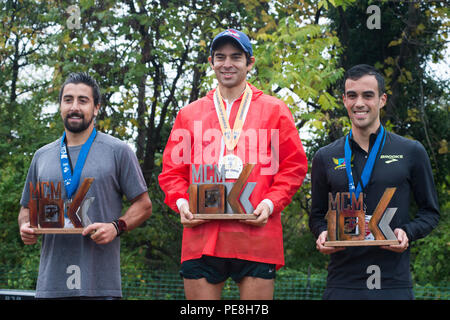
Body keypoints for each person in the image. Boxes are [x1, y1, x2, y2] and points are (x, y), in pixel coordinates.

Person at [158, 29, 307, 300]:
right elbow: (172, 171)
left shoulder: (275, 110)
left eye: (236, 57)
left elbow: (293, 166)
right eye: (220, 57)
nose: (227, 63)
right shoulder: (189, 114)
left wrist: (271, 203)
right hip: (202, 234)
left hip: (256, 234)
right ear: (211, 62)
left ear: (250, 63)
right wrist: (181, 204)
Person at [309, 64, 440, 300]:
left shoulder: (411, 151)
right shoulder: (325, 156)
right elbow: (316, 215)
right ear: (344, 100)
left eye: (368, 95)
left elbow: (430, 212)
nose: (359, 103)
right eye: (352, 95)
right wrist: (321, 233)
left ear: (382, 100)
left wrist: (406, 233)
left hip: (393, 283)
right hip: (342, 284)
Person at [18, 72, 152, 299]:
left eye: (83, 100)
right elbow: (25, 210)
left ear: (96, 107)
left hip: (100, 285)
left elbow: (144, 205)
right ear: (60, 106)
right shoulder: (41, 156)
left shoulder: (118, 151)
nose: (74, 107)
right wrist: (26, 227)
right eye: (68, 99)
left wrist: (116, 226)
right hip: (51, 286)